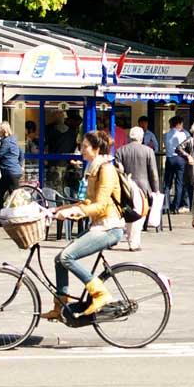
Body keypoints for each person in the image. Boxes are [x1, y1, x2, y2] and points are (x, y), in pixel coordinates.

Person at [48, 129, 125, 319]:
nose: (81, 150)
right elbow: (88, 201)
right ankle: (61, 307)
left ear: (96, 149)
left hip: (109, 227)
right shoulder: (94, 167)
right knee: (59, 259)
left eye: (85, 147)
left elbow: (100, 206)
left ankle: (100, 294)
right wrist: (60, 209)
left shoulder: (106, 169)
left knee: (67, 257)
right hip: (98, 225)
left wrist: (75, 212)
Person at [114, 126, 159, 250]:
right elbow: (153, 172)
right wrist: (155, 189)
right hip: (143, 187)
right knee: (140, 214)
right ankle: (134, 242)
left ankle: (129, 237)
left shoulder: (120, 151)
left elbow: (118, 171)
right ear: (141, 138)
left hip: (126, 187)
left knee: (127, 212)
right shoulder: (148, 151)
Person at [163, 117, 190, 213]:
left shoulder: (166, 135)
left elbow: (166, 145)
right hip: (180, 159)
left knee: (167, 184)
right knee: (179, 183)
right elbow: (187, 145)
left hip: (170, 159)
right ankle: (175, 207)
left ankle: (166, 205)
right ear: (179, 124)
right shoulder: (183, 134)